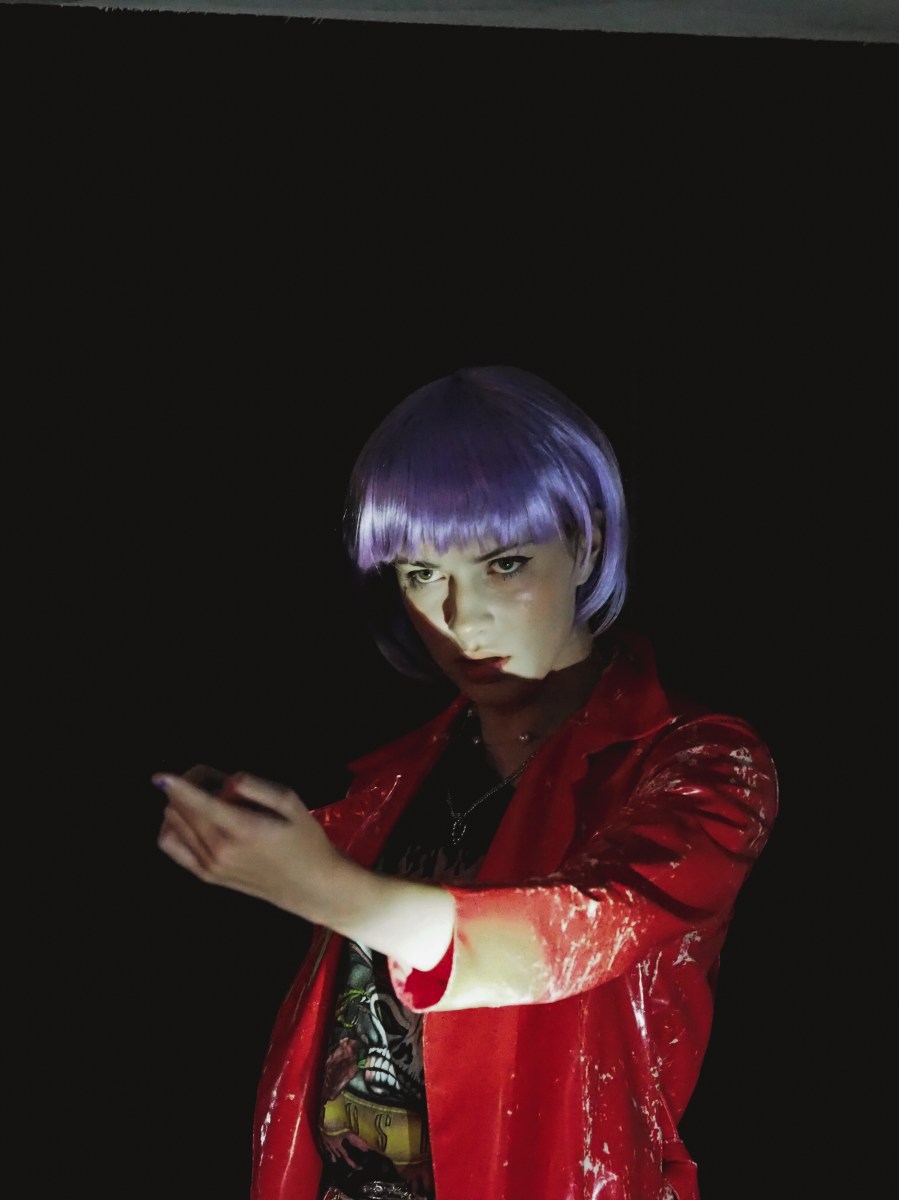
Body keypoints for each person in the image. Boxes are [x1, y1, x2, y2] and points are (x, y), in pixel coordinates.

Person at [153, 364, 778, 1200]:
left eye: (504, 564)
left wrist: (326, 888)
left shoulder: (702, 763)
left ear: (587, 542)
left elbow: (582, 928)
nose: (459, 616)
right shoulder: (396, 777)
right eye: (421, 574)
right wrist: (242, 832)